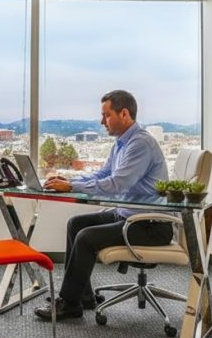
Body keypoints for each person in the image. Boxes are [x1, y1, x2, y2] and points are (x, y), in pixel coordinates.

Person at [34, 89, 173, 321]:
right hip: (129, 215)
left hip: (150, 226)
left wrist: (71, 187)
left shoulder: (140, 144)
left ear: (124, 114)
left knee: (86, 237)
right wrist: (70, 181)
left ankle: (69, 304)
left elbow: (117, 184)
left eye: (106, 115)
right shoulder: (122, 143)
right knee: (75, 224)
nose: (102, 121)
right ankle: (83, 297)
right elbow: (103, 174)